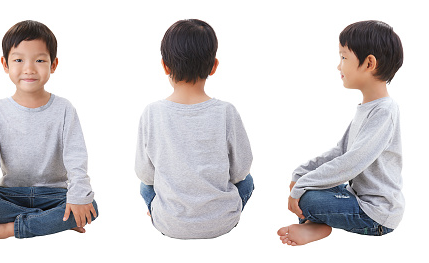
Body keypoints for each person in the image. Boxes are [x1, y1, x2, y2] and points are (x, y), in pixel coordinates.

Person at [0, 20, 98, 248]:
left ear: (53, 64)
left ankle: (10, 228)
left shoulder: (64, 109)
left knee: (91, 207)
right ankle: (52, 221)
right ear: (5, 64)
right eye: (18, 60)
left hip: (54, 194)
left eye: (39, 60)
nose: (29, 68)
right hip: (11, 194)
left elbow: (76, 159)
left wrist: (77, 198)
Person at [277, 20, 405, 246]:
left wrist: (302, 187)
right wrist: (301, 174)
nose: (339, 66)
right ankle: (314, 224)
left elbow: (350, 163)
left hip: (375, 215)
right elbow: (340, 151)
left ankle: (314, 225)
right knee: (309, 185)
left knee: (308, 199)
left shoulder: (384, 111)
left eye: (344, 58)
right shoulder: (367, 108)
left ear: (369, 63)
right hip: (354, 194)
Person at [135, 19, 254, 239]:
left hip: (169, 224)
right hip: (222, 222)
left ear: (165, 66)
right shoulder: (226, 112)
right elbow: (241, 171)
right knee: (249, 182)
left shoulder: (152, 113)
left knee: (145, 187)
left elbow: (145, 174)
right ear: (214, 66)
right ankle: (216, 215)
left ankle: (168, 217)